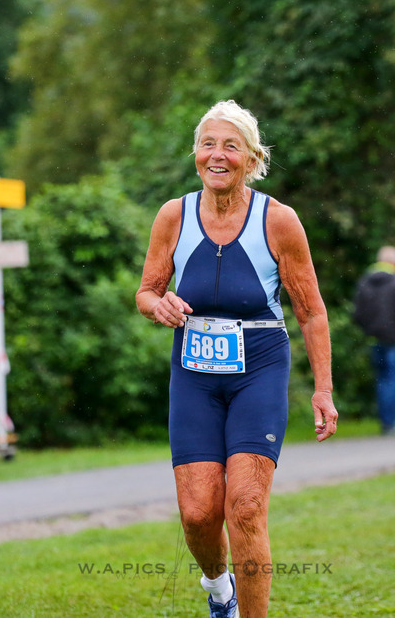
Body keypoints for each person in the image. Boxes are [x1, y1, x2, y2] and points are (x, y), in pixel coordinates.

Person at [136, 100, 337, 618]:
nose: (217, 155)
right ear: (196, 155)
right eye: (208, 144)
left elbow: (311, 312)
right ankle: (219, 591)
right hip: (195, 374)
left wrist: (323, 389)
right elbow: (146, 292)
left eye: (231, 146)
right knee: (199, 511)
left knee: (244, 507)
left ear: (252, 158)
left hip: (259, 370)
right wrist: (159, 305)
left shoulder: (279, 220)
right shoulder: (173, 216)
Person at [352, 245, 395, 434]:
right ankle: (390, 424)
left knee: (382, 381)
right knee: (393, 380)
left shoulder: (365, 282)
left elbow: (357, 314)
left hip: (374, 340)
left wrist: (369, 330)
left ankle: (385, 422)